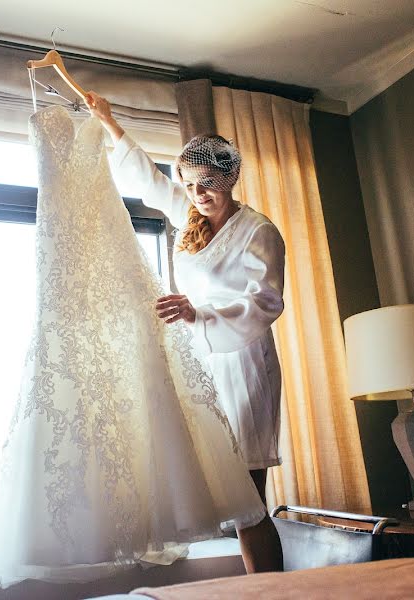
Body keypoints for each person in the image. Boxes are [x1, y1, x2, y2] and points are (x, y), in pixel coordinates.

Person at [86, 91, 285, 572]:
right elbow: (149, 185)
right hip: (200, 361)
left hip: (243, 363)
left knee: (248, 497)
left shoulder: (259, 232)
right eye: (191, 183)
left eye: (209, 183)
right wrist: (111, 123)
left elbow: (266, 302)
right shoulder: (190, 217)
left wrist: (199, 315)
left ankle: (269, 589)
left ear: (231, 178)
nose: (198, 194)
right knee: (212, 477)